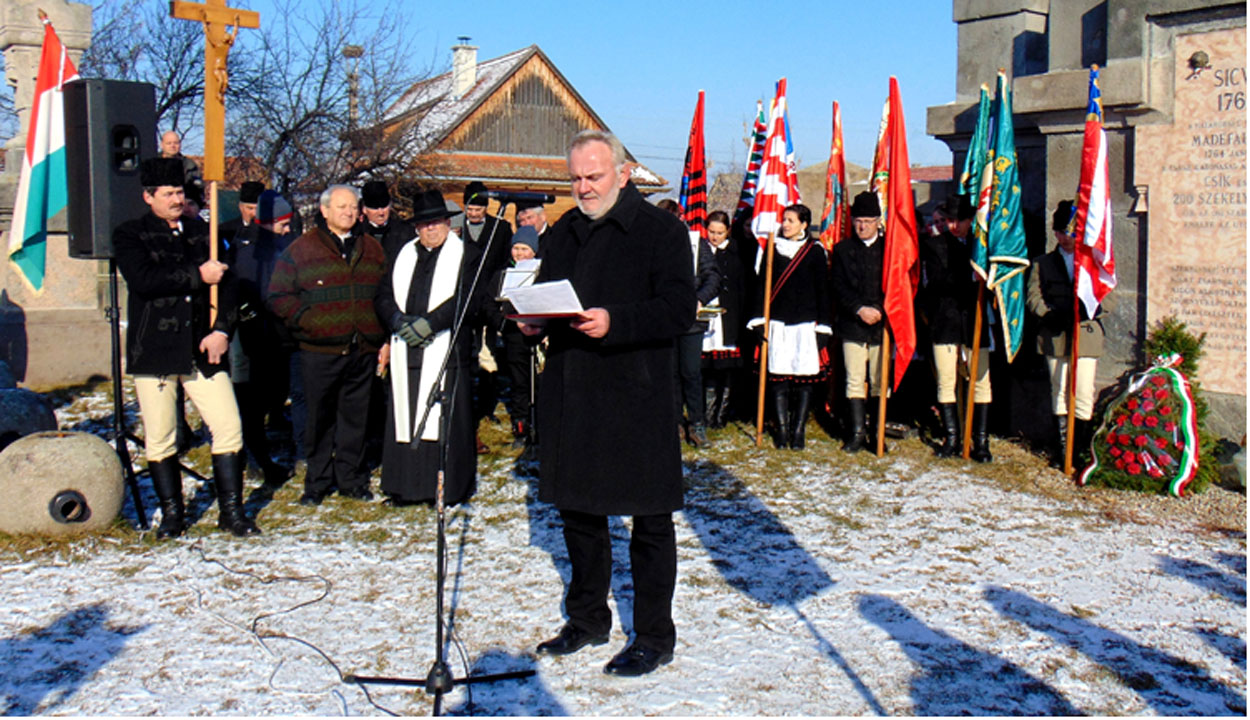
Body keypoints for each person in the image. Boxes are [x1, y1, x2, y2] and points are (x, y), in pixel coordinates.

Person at [525, 130, 695, 677]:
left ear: (622, 174)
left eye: (593, 176)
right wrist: (530, 322)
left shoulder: (659, 229)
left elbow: (679, 309)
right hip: (575, 391)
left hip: (637, 394)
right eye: (575, 178)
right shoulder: (565, 232)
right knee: (580, 513)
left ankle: (653, 634)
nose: (583, 187)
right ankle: (588, 618)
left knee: (648, 521)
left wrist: (614, 321)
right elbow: (547, 294)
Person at [113, 157, 257, 538]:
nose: (177, 199)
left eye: (180, 192)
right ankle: (174, 515)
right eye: (169, 193)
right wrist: (198, 275)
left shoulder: (203, 232)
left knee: (228, 427)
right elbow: (144, 280)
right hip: (156, 350)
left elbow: (229, 285)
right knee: (161, 436)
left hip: (203, 349)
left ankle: (231, 512)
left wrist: (223, 330)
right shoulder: (130, 234)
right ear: (149, 197)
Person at [267, 185, 388, 505]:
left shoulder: (372, 249)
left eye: (352, 207)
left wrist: (380, 336)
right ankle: (318, 481)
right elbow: (278, 296)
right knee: (318, 420)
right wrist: (308, 322)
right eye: (341, 207)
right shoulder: (302, 249)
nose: (348, 212)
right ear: (324, 211)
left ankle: (351, 479)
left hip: (361, 349)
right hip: (319, 351)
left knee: (355, 419)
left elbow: (386, 295)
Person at [373, 190, 488, 506]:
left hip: (445, 351)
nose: (429, 230)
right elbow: (382, 295)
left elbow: (469, 297)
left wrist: (431, 323)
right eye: (423, 225)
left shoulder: (466, 255)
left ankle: (446, 489)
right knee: (405, 416)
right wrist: (397, 320)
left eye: (435, 223)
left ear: (447, 223)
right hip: (406, 349)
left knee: (442, 421)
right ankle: (405, 487)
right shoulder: (403, 254)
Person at [746, 203, 831, 449]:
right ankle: (781, 431)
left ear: (804, 224)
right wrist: (759, 320)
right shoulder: (772, 249)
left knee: (804, 380)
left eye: (791, 220)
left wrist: (823, 326)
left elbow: (822, 291)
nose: (785, 224)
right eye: (784, 219)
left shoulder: (815, 252)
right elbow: (761, 286)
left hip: (805, 324)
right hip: (778, 323)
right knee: (779, 379)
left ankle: (798, 430)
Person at [228, 189, 298, 489]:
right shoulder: (248, 251)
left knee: (273, 395)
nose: (287, 228)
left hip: (279, 335)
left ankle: (261, 453)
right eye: (283, 223)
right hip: (253, 337)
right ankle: (254, 457)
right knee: (252, 403)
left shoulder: (284, 246)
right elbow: (247, 292)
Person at [1027, 200, 1105, 465]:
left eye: (1072, 232)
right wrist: (1048, 314)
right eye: (1061, 231)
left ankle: (1081, 451)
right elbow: (1033, 296)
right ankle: (1063, 452)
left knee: (1083, 391)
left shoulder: (1093, 262)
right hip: (1056, 335)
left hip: (1085, 334)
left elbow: (1109, 296)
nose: (1066, 237)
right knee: (1059, 391)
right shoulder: (1043, 263)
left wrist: (1090, 309)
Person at [918, 194, 984, 458]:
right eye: (951, 220)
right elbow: (936, 282)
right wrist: (970, 276)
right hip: (946, 320)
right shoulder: (936, 245)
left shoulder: (980, 247)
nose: (955, 225)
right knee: (946, 380)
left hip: (974, 320)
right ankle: (952, 438)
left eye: (960, 220)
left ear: (970, 221)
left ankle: (979, 441)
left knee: (981, 381)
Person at [831, 192, 887, 453]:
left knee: (879, 381)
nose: (862, 226)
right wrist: (858, 309)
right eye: (858, 221)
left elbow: (897, 288)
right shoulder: (843, 250)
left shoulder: (889, 250)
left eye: (867, 221)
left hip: (882, 324)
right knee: (854, 378)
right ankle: (856, 433)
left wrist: (880, 311)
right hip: (852, 322)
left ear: (878, 221)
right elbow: (838, 286)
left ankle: (877, 433)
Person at [486, 226, 542, 449]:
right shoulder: (502, 275)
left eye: (524, 249)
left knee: (539, 383)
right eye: (516, 248)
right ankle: (521, 427)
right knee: (519, 384)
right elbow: (488, 303)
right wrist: (502, 322)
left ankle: (541, 425)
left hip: (538, 335)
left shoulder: (542, 272)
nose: (519, 254)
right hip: (513, 335)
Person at [701, 210, 746, 428]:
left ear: (727, 231)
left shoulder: (736, 254)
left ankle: (722, 414)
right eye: (712, 232)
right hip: (707, 316)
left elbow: (741, 287)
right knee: (708, 367)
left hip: (729, 318)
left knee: (727, 368)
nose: (715, 237)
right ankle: (708, 414)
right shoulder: (701, 252)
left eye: (720, 232)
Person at [358, 180, 414, 264]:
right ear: (364, 209)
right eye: (375, 208)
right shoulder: (356, 235)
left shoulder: (406, 232)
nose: (381, 213)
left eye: (384, 206)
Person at [219, 180, 264, 247]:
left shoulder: (269, 230)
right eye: (250, 208)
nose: (254, 213)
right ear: (241, 207)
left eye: (258, 208)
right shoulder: (226, 230)